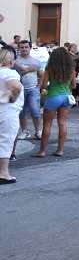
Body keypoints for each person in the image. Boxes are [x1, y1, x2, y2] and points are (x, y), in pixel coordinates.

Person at [34, 48, 76, 157]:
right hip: (66, 97)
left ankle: (42, 151)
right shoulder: (71, 69)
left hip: (53, 96)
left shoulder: (50, 68)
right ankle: (60, 150)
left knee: (47, 124)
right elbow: (74, 85)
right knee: (62, 123)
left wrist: (47, 88)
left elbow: (44, 85)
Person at [0, 48, 23, 183]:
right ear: (11, 60)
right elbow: (16, 87)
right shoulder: (9, 73)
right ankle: (3, 173)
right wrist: (12, 98)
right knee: (6, 140)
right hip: (7, 110)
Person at [13, 40, 42, 140]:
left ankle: (38, 131)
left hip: (33, 89)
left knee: (35, 110)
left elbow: (41, 74)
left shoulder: (36, 61)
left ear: (30, 48)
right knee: (22, 111)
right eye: (22, 47)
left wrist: (39, 86)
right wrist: (30, 69)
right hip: (20, 90)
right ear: (19, 49)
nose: (24, 49)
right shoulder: (15, 61)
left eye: (26, 47)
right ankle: (25, 131)